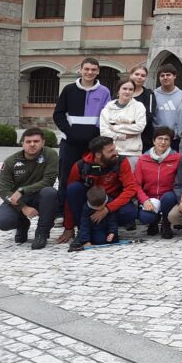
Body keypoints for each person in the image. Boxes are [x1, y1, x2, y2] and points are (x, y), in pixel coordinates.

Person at [52, 57, 111, 238]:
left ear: (98, 71)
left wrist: (96, 138)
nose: (90, 72)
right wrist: (70, 133)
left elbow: (106, 115)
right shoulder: (69, 90)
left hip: (92, 145)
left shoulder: (104, 91)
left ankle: (88, 209)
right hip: (69, 143)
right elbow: (59, 114)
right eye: (87, 69)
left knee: (92, 177)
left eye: (93, 69)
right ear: (81, 70)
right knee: (65, 177)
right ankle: (61, 212)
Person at [63, 135, 139, 247]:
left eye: (114, 148)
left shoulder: (121, 162)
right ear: (98, 154)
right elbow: (68, 199)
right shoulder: (80, 166)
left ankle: (110, 229)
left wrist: (108, 208)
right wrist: (68, 227)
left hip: (112, 203)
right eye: (111, 151)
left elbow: (131, 188)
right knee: (73, 189)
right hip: (88, 205)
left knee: (129, 212)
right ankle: (82, 232)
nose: (116, 152)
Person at [0, 127, 58, 250]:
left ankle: (42, 233)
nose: (32, 144)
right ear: (22, 143)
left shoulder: (50, 154)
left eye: (36, 141)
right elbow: (3, 190)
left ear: (43, 143)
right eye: (28, 142)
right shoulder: (10, 162)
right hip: (18, 200)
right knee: (3, 222)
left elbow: (48, 181)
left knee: (50, 193)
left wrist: (23, 190)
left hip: (40, 196)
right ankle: (22, 224)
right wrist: (22, 207)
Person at [133, 126, 181, 239]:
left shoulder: (178, 158)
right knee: (145, 217)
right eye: (160, 138)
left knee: (168, 198)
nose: (163, 142)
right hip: (150, 198)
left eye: (166, 139)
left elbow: (181, 182)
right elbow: (136, 184)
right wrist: (144, 200)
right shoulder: (143, 159)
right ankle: (153, 222)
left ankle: (166, 222)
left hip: (169, 197)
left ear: (170, 142)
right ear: (154, 140)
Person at [99, 79, 147, 163]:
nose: (127, 92)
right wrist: (124, 135)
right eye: (124, 89)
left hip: (133, 153)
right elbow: (104, 132)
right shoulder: (107, 109)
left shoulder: (139, 107)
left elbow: (140, 127)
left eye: (131, 89)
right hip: (112, 153)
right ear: (118, 90)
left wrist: (115, 127)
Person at [70, 186, 117, 251]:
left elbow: (112, 221)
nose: (99, 209)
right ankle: (80, 240)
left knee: (113, 239)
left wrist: (112, 232)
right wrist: (86, 241)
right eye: (96, 207)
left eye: (101, 206)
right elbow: (84, 226)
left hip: (107, 228)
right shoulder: (86, 209)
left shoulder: (110, 202)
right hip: (95, 229)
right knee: (100, 240)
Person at [153, 65, 182, 145]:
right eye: (162, 75)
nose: (165, 77)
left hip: (176, 139)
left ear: (174, 76)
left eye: (168, 75)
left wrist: (177, 132)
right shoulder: (153, 95)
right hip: (158, 139)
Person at [128, 64, 156, 151]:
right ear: (131, 75)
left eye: (143, 75)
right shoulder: (120, 92)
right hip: (122, 137)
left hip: (143, 138)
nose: (139, 77)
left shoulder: (149, 94)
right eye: (137, 74)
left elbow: (149, 115)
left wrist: (134, 128)